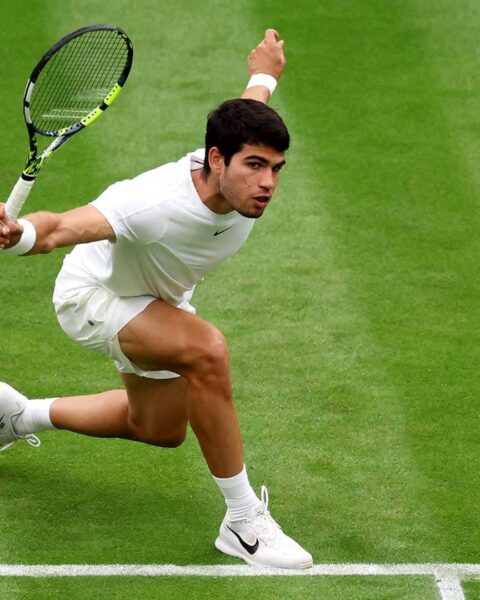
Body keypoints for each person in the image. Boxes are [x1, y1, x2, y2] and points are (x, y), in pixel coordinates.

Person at [0, 29, 313, 570]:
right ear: (217, 160)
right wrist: (20, 232)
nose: (267, 184)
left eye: (275, 169)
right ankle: (243, 525)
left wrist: (264, 75)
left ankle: (18, 417)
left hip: (155, 298)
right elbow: (61, 229)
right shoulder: (150, 203)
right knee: (207, 351)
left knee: (160, 428)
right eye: (255, 167)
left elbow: (248, 112)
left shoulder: (234, 156)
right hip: (93, 297)